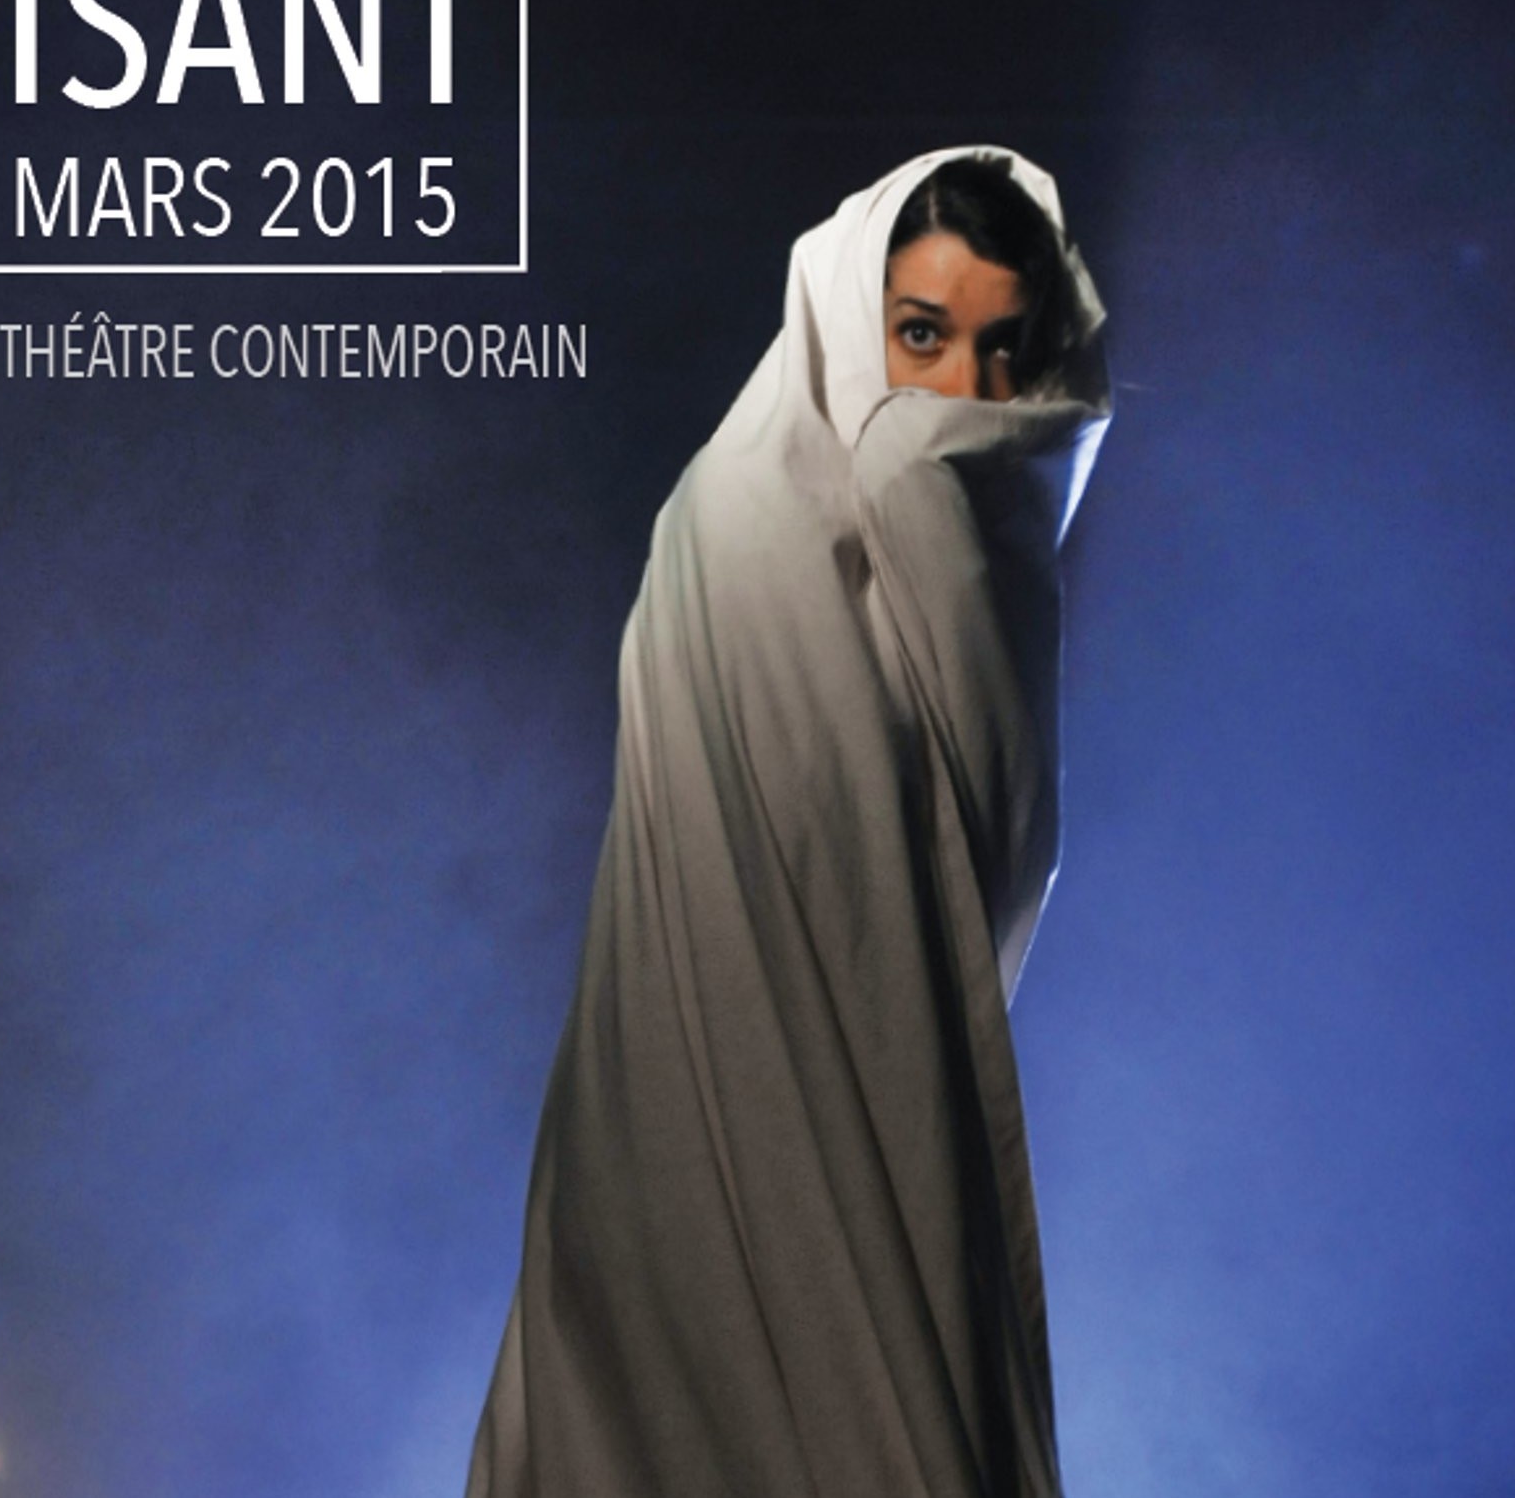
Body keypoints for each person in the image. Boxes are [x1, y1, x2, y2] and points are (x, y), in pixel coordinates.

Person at [468, 147, 1112, 1498]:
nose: (964, 394)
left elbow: (960, 900)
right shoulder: (741, 534)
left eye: (1005, 351)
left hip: (908, 1137)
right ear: (846, 324)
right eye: (921, 337)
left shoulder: (982, 575)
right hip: (691, 1165)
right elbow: (762, 893)